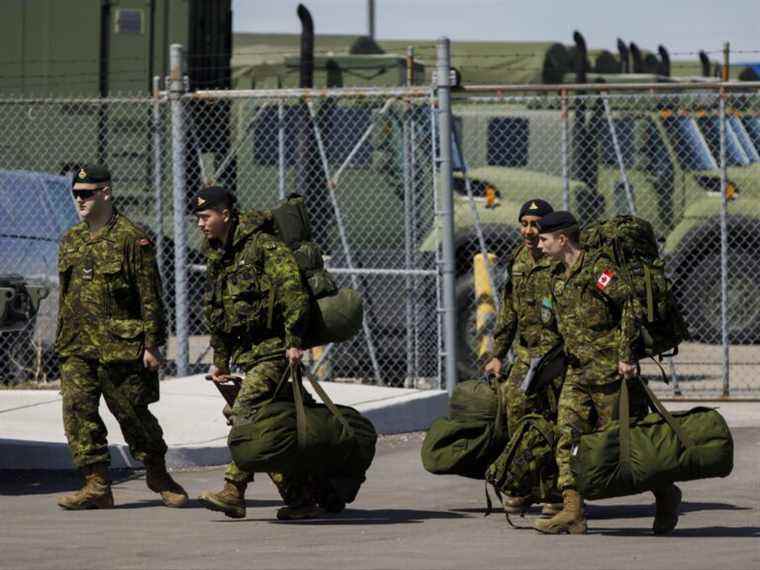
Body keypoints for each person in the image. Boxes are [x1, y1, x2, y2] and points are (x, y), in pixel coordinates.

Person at [533, 211, 681, 535]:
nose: (538, 244)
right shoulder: (556, 277)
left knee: (626, 443)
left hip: (610, 374)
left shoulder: (597, 269)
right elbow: (553, 327)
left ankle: (666, 493)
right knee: (566, 437)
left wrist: (626, 355)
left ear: (562, 239)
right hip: (577, 373)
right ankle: (573, 511)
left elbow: (630, 304)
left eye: (544, 239)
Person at [55, 164, 187, 510]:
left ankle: (157, 473)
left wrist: (152, 344)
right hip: (77, 344)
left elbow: (150, 295)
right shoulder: (71, 240)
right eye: (76, 194)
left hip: (121, 346)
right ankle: (96, 483)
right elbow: (66, 295)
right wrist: (62, 341)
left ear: (106, 193)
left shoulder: (133, 238)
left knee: (133, 414)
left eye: (87, 193)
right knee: (77, 413)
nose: (79, 200)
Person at [193, 186, 326, 520]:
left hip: (276, 353)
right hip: (248, 357)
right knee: (267, 426)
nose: (201, 224)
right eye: (198, 218)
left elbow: (292, 289)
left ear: (225, 213)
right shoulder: (218, 256)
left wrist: (294, 340)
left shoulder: (263, 246)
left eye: (206, 216)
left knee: (245, 413)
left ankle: (233, 491)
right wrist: (220, 362)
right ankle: (302, 497)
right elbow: (217, 313)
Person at [484, 199, 564, 516]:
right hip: (526, 356)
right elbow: (509, 313)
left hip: (556, 357)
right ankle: (523, 487)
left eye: (536, 225)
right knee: (516, 414)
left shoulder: (557, 261)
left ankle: (556, 493)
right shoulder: (517, 261)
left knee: (553, 422)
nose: (529, 231)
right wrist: (497, 354)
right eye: (525, 224)